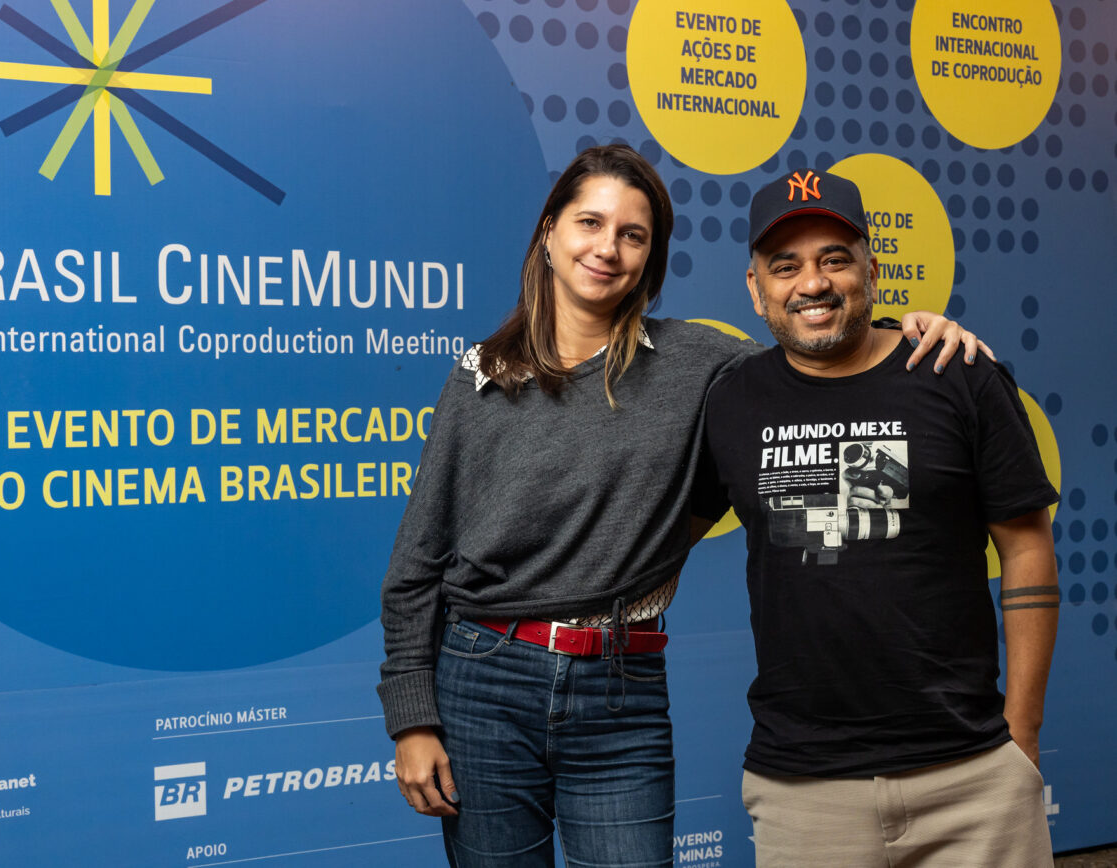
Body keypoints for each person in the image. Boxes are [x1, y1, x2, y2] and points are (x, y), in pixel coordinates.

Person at [377, 146, 981, 868]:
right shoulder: (480, 377)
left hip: (620, 687)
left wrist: (910, 334)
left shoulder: (703, 366)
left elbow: (818, 365)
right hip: (482, 678)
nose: (608, 248)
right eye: (590, 223)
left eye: (634, 235)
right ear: (549, 233)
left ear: (652, 257)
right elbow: (416, 566)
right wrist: (411, 718)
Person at [702, 168, 1059, 867]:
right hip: (803, 789)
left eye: (836, 258)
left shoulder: (961, 374)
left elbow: (1027, 548)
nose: (813, 283)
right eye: (787, 266)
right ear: (755, 288)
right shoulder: (731, 401)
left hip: (972, 776)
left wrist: (1021, 735)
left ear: (873, 268)